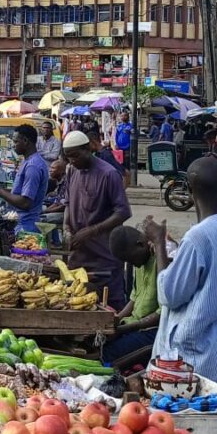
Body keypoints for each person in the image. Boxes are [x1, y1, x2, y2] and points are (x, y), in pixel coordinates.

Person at [143, 155, 217, 384]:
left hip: (191, 351)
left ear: (189, 189)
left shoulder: (198, 237)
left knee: (188, 415)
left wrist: (158, 243)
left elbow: (169, 295)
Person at [62, 130, 132, 310]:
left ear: (88, 149)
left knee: (109, 306)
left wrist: (91, 231)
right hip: (79, 256)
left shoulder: (109, 174)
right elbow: (68, 203)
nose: (72, 161)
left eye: (75, 156)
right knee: (76, 303)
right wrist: (66, 228)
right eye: (68, 157)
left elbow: (123, 212)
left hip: (105, 257)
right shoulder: (71, 171)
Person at [103, 226, 162, 362]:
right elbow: (134, 298)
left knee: (108, 354)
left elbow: (163, 313)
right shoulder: (141, 262)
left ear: (140, 244)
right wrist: (117, 319)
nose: (132, 265)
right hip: (134, 324)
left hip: (152, 330)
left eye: (131, 259)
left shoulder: (161, 261)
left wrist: (126, 328)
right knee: (99, 343)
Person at [0, 124, 49, 233]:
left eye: (16, 142)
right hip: (21, 222)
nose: (13, 145)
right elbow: (18, 193)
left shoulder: (33, 166)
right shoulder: (28, 161)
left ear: (25, 141)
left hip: (26, 225)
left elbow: (25, 203)